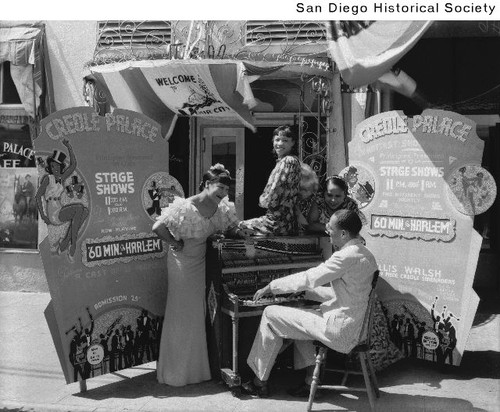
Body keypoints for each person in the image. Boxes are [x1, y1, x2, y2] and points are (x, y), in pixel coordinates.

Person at [242, 209, 378, 397]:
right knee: (302, 314)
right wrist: (306, 293)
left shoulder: (344, 256)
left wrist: (272, 286)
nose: (327, 230)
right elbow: (347, 293)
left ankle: (259, 382)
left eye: (331, 227)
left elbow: (309, 277)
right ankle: (309, 382)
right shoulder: (366, 254)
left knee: (270, 313)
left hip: (339, 331)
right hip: (355, 328)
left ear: (344, 234)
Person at [152, 164, 253, 387]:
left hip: (202, 263)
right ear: (207, 185)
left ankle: (197, 371)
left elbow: (230, 227)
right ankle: (176, 373)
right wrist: (175, 243)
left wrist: (240, 231)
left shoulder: (222, 207)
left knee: (197, 314)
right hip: (182, 264)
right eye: (220, 188)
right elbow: (158, 226)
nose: (224, 193)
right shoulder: (186, 206)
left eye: (227, 189)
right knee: (181, 314)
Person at [239, 125, 302, 236]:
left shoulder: (288, 161)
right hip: (285, 220)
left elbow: (276, 190)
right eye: (277, 140)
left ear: (293, 143)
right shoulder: (288, 160)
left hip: (277, 221)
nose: (280, 143)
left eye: (285, 140)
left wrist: (263, 200)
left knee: (239, 227)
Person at [35, 139, 89, 260]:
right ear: (50, 167)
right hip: (53, 214)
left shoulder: (61, 179)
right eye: (53, 166)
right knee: (79, 208)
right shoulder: (48, 179)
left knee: (84, 212)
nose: (55, 168)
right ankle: (72, 244)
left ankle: (64, 243)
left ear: (61, 166)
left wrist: (69, 146)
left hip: (60, 209)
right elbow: (38, 196)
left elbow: (73, 164)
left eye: (58, 166)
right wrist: (43, 216)